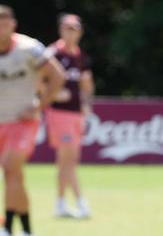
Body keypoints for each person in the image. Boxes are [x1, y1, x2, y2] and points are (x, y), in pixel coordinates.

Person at [0, 5, 65, 236]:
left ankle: (6, 229)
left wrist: (39, 105)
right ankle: (27, 230)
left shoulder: (29, 48)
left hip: (22, 122)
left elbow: (58, 76)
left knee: (9, 167)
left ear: (13, 26)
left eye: (5, 24)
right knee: (14, 175)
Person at [46, 14, 94, 218]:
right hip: (59, 112)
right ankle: (78, 203)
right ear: (60, 30)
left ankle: (62, 204)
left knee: (68, 161)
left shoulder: (80, 56)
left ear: (80, 32)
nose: (70, 32)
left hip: (75, 114)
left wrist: (86, 102)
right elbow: (37, 80)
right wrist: (52, 93)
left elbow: (86, 84)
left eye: (74, 28)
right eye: (66, 28)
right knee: (67, 159)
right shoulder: (52, 54)